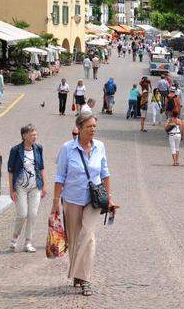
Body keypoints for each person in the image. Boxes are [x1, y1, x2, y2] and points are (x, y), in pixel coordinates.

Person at [52, 115, 116, 296]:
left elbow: (105, 173)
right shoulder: (67, 149)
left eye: (94, 126)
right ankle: (78, 275)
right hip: (72, 199)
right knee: (74, 240)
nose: (93, 129)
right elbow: (59, 177)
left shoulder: (100, 147)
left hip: (93, 200)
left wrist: (109, 197)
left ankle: (85, 279)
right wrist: (55, 202)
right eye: (89, 126)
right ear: (79, 128)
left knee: (88, 235)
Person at [7, 124, 46, 253]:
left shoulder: (38, 148)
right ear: (24, 136)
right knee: (22, 214)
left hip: (35, 186)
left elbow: (41, 167)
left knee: (32, 215)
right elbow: (11, 171)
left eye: (35, 134)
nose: (34, 137)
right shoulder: (15, 150)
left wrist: (44, 185)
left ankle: (28, 242)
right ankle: (15, 237)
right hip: (20, 187)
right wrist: (11, 190)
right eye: (32, 134)